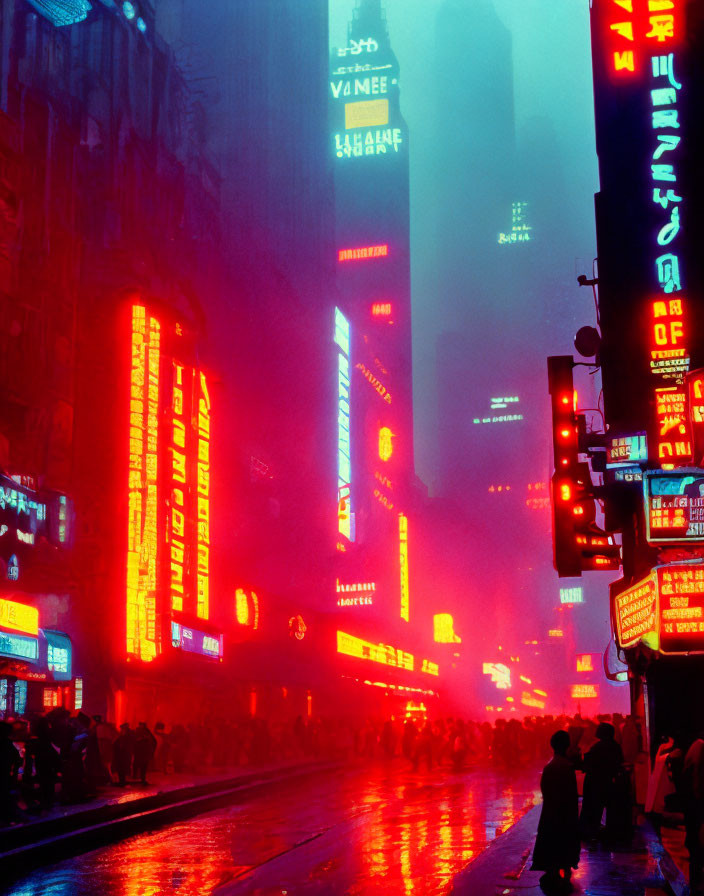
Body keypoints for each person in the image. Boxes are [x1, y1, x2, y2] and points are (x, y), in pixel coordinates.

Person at [531, 730, 580, 893]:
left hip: (551, 813)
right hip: (565, 814)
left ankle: (552, 871)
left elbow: (545, 791)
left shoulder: (550, 766)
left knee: (552, 843)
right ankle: (564, 870)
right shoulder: (566, 767)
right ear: (567, 746)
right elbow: (572, 794)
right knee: (564, 843)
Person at [579, 721, 624, 840]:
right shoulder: (615, 746)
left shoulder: (598, 747)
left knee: (594, 807)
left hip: (596, 782)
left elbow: (589, 762)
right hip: (608, 782)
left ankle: (591, 831)